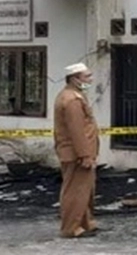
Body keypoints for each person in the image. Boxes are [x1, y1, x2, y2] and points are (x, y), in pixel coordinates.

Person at [54, 63, 100, 238]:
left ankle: (86, 223)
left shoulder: (75, 96)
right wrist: (85, 155)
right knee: (76, 191)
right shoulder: (72, 100)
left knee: (85, 190)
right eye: (86, 76)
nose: (90, 79)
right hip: (77, 154)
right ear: (74, 79)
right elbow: (77, 130)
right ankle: (71, 228)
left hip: (78, 152)